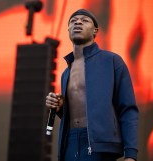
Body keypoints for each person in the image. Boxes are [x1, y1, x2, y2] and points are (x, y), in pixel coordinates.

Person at [46, 9, 139, 161]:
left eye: (84, 20)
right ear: (68, 30)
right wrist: (60, 109)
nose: (78, 22)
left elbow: (128, 109)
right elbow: (77, 113)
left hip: (101, 147)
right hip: (69, 144)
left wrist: (131, 154)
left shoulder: (112, 61)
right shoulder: (65, 73)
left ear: (95, 31)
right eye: (73, 21)